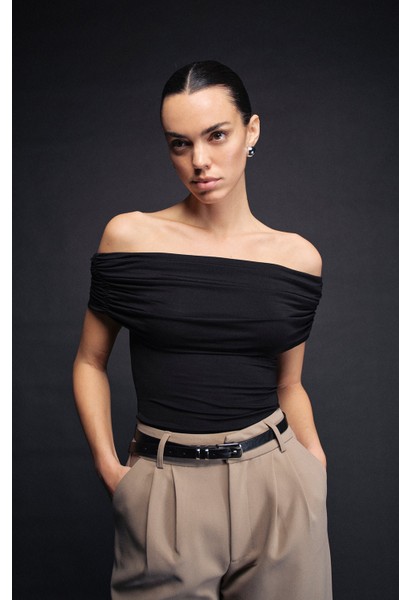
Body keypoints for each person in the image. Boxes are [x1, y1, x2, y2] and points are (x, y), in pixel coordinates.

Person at [73, 60, 332, 600]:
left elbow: (289, 383)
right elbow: (90, 361)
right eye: (180, 144)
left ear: (251, 131)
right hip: (164, 490)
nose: (199, 161)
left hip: (278, 487)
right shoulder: (130, 237)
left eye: (217, 135)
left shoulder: (297, 259)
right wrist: (110, 468)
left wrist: (313, 466)